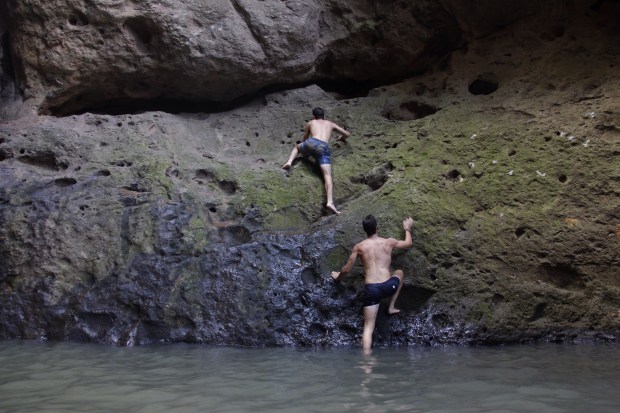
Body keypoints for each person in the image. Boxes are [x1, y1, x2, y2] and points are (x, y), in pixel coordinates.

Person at [331, 215, 414, 353]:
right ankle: (391, 306)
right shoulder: (388, 242)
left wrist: (338, 277)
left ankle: (367, 361)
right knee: (399, 272)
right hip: (389, 286)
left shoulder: (359, 247)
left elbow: (346, 269)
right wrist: (407, 228)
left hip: (372, 290)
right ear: (377, 227)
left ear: (365, 230)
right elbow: (408, 243)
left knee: (368, 328)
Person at [282, 107, 350, 214]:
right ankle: (330, 202)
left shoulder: (311, 122)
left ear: (313, 116)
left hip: (311, 142)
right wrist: (341, 137)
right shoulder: (330, 124)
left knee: (297, 147)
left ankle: (289, 162)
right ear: (324, 116)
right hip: (323, 147)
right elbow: (347, 134)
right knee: (327, 175)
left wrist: (304, 148)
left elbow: (305, 138)